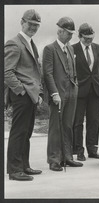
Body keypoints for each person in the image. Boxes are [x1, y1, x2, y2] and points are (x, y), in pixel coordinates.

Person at [4, 9, 43, 181]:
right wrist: (20, 91)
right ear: (22, 22)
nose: (33, 28)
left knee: (26, 132)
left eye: (36, 25)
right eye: (30, 24)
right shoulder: (14, 43)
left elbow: (34, 72)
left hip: (31, 95)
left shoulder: (31, 43)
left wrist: (38, 93)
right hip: (22, 95)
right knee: (18, 132)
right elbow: (6, 72)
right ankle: (14, 170)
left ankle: (24, 166)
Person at [43, 17, 83, 171]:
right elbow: (47, 74)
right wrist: (54, 93)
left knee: (67, 126)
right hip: (58, 94)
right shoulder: (49, 49)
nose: (71, 36)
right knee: (55, 127)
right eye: (68, 33)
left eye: (72, 34)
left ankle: (67, 157)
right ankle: (54, 159)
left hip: (71, 93)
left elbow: (73, 71)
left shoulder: (70, 48)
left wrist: (76, 86)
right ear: (59, 31)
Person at [72, 23, 99, 160]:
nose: (89, 40)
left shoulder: (98, 48)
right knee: (78, 122)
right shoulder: (72, 49)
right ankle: (78, 150)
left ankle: (92, 149)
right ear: (80, 36)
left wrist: (93, 80)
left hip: (95, 89)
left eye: (91, 38)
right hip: (79, 90)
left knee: (94, 121)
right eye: (86, 38)